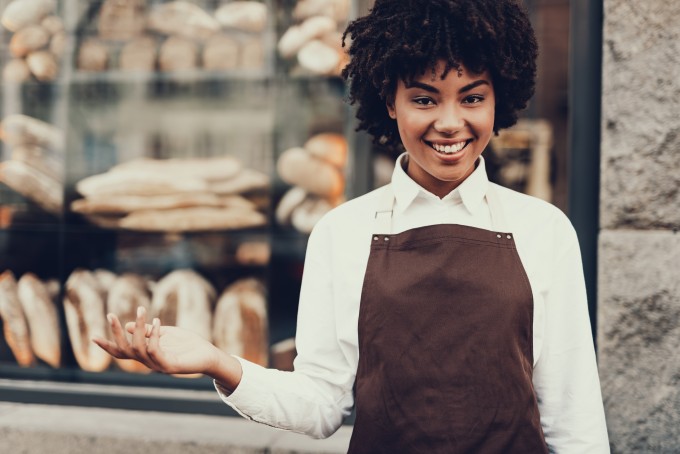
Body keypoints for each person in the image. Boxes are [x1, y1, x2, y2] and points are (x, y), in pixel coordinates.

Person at [93, 0, 610, 452]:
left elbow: (573, 420)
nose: (450, 122)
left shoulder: (545, 230)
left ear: (499, 101)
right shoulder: (342, 232)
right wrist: (219, 362)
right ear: (390, 102)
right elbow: (321, 404)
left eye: (472, 98)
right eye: (425, 99)